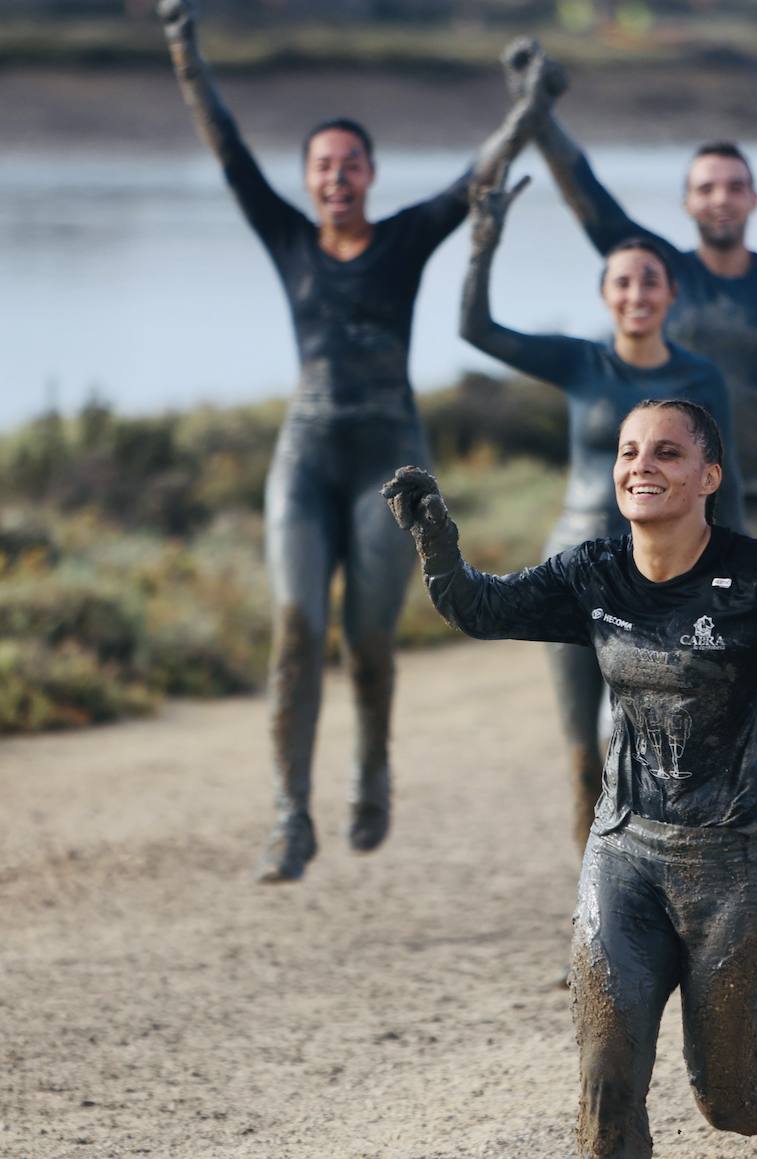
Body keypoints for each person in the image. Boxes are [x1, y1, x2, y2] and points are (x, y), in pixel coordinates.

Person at [382, 399, 757, 1158]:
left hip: (743, 863)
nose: (640, 466)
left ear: (709, 475)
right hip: (625, 852)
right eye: (628, 452)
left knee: (728, 1094)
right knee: (605, 1078)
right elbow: (481, 607)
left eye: (666, 453)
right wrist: (436, 539)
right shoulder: (594, 573)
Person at [157, 0, 558, 881]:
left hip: (389, 458)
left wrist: (528, 109)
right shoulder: (289, 235)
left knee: (366, 641)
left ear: (370, 173)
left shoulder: (406, 238)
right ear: (308, 180)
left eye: (349, 164)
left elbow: (474, 174)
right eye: (322, 166)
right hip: (305, 456)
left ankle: (371, 774)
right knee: (295, 632)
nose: (336, 178)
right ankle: (288, 817)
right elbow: (227, 151)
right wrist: (184, 46)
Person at [459, 165, 745, 845]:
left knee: (639, 739)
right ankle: (594, 897)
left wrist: (738, 585)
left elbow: (721, 485)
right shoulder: (580, 361)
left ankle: (648, 879)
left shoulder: (701, 378)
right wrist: (484, 241)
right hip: (574, 569)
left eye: (651, 279)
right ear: (605, 295)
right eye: (623, 281)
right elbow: (476, 329)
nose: (637, 292)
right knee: (583, 748)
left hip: (664, 577)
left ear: (673, 293)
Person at [501, 39, 757, 546]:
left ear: (753, 198)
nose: (721, 199)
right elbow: (589, 198)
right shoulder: (663, 274)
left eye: (734, 187)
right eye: (706, 189)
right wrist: (537, 109)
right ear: (687, 203)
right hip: (674, 492)